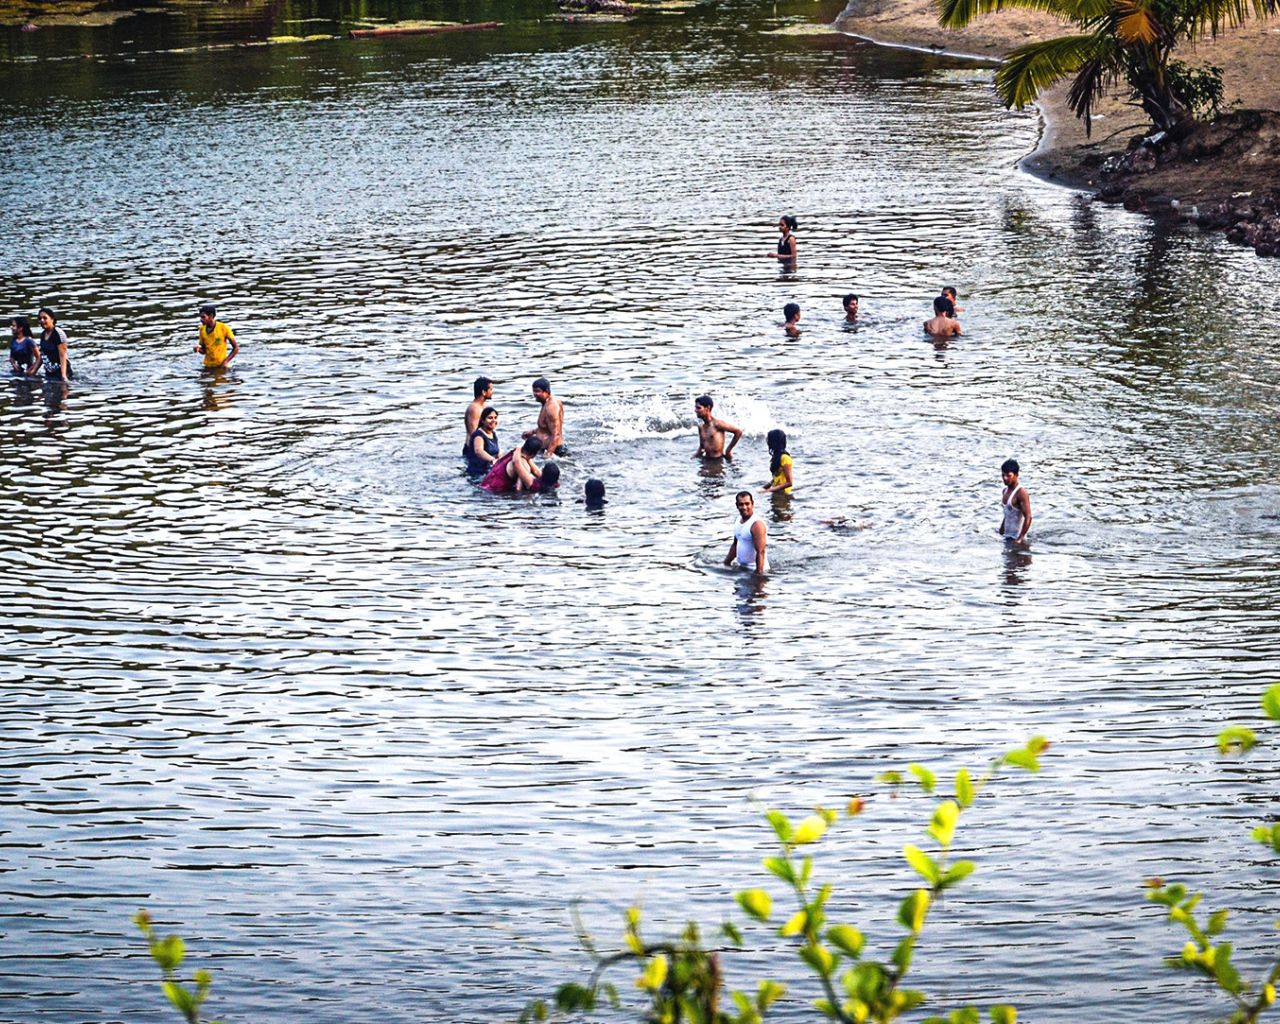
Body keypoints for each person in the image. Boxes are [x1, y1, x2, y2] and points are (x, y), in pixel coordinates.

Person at [724, 490, 769, 573]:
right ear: (737, 505)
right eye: (741, 504)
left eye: (747, 504)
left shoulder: (756, 525)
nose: (744, 507)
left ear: (752, 504)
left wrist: (758, 575)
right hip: (742, 568)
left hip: (754, 570)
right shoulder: (738, 520)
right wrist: (726, 563)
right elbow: (735, 544)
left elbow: (761, 552)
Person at [692, 395, 742, 461]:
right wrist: (694, 456)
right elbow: (702, 447)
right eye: (695, 408)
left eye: (698, 408)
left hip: (717, 460)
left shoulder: (717, 424)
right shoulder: (701, 427)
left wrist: (728, 451)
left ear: (707, 408)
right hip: (706, 459)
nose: (695, 410)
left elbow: (738, 432)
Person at [523, 377, 564, 456]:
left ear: (546, 392)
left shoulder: (551, 408)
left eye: (537, 391)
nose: (534, 394)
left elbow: (556, 434)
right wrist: (533, 432)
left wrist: (548, 454)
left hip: (553, 451)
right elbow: (546, 427)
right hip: (547, 449)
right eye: (534, 391)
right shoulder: (547, 403)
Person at [195, 304, 238, 370]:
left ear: (211, 316)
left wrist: (226, 362)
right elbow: (204, 351)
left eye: (203, 317)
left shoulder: (223, 328)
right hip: (208, 366)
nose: (201, 320)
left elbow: (236, 347)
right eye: (201, 317)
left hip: (221, 366)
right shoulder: (202, 329)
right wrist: (198, 349)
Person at [998, 459, 1032, 542]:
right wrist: (1001, 531)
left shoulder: (1021, 492)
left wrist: (1020, 538)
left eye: (1008, 475)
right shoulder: (1004, 491)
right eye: (1003, 475)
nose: (1005, 478)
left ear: (1016, 475)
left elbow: (1028, 517)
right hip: (1007, 536)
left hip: (1017, 538)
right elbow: (1007, 514)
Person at [37, 308, 72, 381]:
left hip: (60, 373)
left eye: (45, 318)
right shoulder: (43, 334)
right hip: (49, 374)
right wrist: (32, 371)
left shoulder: (58, 333)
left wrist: (64, 376)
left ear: (52, 319)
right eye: (40, 318)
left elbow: (62, 356)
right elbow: (42, 355)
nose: (42, 321)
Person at [465, 407, 501, 475]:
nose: (493, 420)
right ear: (482, 420)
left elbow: (498, 452)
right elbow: (479, 451)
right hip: (479, 472)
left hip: (491, 468)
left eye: (495, 418)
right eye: (490, 418)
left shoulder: (493, 434)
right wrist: (493, 460)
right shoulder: (478, 435)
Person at [761, 429, 793, 494]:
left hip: (784, 494)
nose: (768, 442)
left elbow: (789, 483)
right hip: (776, 492)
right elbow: (777, 476)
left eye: (769, 440)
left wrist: (769, 490)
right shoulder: (777, 456)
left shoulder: (785, 458)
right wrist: (767, 486)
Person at [464, 376, 493, 444]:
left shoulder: (484, 407)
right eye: (491, 389)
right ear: (484, 392)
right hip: (473, 449)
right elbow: (473, 434)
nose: (492, 392)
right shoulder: (474, 409)